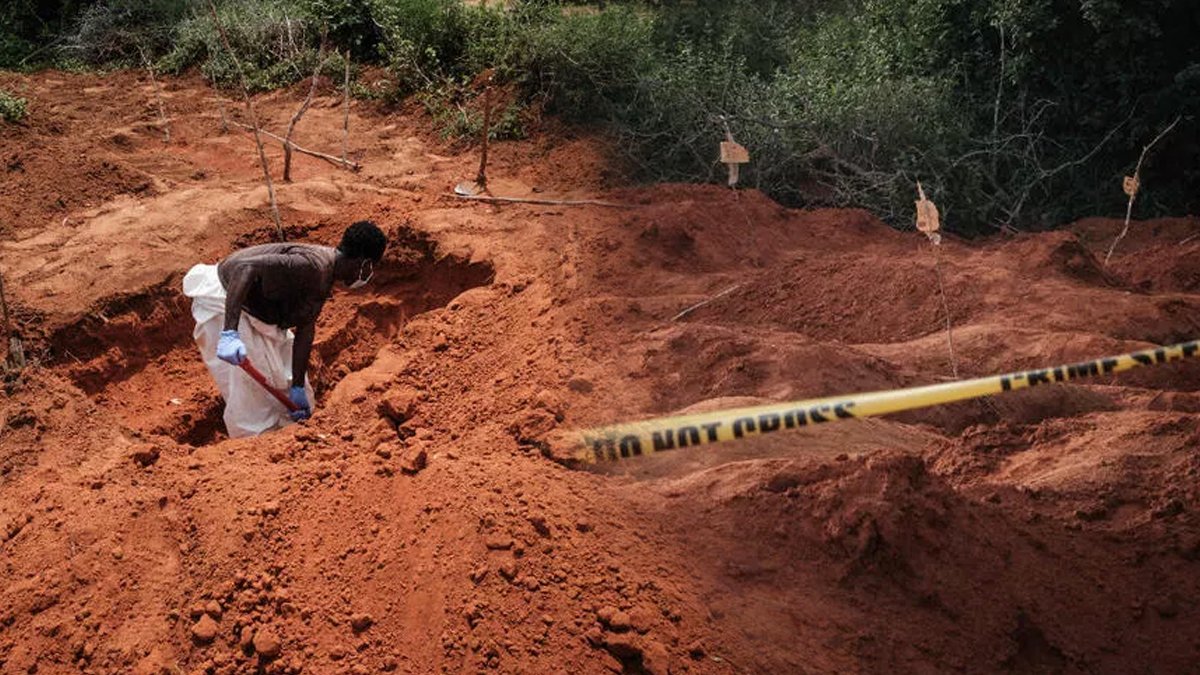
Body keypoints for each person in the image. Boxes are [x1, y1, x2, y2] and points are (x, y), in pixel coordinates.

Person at [182, 221, 387, 438]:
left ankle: (291, 434)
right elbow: (244, 268)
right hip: (227, 303)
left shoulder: (325, 276)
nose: (369, 274)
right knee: (252, 397)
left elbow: (306, 329)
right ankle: (258, 448)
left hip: (259, 316)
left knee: (285, 377)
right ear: (363, 263)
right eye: (371, 267)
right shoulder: (310, 266)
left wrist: (297, 387)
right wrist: (230, 333)